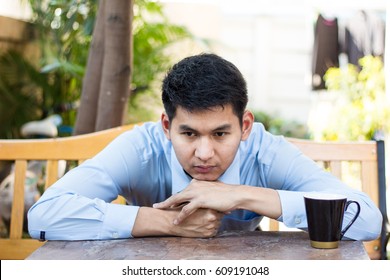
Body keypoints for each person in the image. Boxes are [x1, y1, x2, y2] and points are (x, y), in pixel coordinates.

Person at [28, 53, 382, 241]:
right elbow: (44, 215)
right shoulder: (140, 149)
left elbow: (367, 220)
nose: (204, 153)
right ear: (167, 127)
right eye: (189, 134)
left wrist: (240, 195)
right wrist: (168, 223)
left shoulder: (266, 151)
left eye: (219, 134)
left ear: (245, 126)